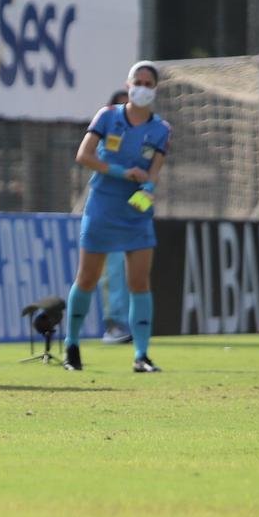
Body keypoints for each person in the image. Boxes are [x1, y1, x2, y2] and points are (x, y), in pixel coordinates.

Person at [63, 61, 170, 373]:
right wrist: (123, 172)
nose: (143, 88)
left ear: (155, 89)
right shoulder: (108, 116)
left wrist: (146, 190)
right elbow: (84, 155)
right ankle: (72, 345)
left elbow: (153, 174)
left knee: (139, 281)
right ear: (128, 84)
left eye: (149, 83)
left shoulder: (161, 130)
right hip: (103, 207)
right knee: (87, 278)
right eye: (138, 81)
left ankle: (141, 354)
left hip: (136, 213)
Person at [99, 88, 132, 345]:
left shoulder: (148, 136)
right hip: (107, 210)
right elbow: (96, 160)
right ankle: (114, 325)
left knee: (134, 270)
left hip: (132, 211)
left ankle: (133, 325)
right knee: (111, 268)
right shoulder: (106, 135)